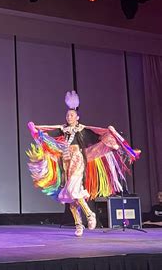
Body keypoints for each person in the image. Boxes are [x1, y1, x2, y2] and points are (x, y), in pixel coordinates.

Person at [27, 91, 140, 237]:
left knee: (73, 189)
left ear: (77, 117)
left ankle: (90, 214)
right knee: (69, 194)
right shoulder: (63, 129)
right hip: (66, 161)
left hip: (78, 159)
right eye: (67, 115)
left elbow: (98, 135)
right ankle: (78, 224)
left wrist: (110, 134)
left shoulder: (82, 130)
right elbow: (49, 134)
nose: (69, 117)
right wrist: (36, 131)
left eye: (72, 115)